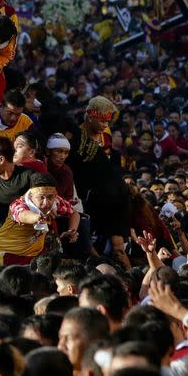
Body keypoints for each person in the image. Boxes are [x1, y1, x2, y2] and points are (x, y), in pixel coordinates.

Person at [67, 96, 130, 267]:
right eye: (101, 121)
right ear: (89, 116)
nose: (105, 126)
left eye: (107, 122)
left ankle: (124, 260)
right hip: (86, 192)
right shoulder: (76, 138)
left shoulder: (106, 135)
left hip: (110, 188)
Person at [0, 172, 78, 266]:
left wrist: (72, 230)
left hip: (36, 252)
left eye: (50, 197)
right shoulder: (18, 205)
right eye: (41, 197)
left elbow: (74, 213)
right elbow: (23, 216)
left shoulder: (56, 201)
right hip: (9, 251)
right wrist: (40, 217)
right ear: (31, 195)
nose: (46, 203)